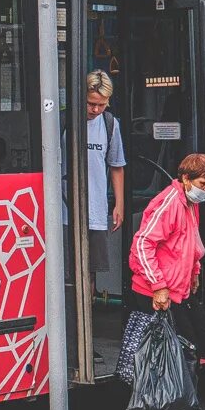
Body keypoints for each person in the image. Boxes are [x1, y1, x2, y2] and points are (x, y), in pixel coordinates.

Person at [126, 153, 205, 410]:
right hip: (160, 292)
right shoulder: (169, 203)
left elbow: (189, 244)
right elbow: (142, 244)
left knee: (203, 340)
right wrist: (158, 286)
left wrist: (194, 272)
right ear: (185, 179)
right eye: (203, 183)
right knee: (183, 352)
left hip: (178, 290)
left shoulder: (188, 203)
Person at [85, 71, 127, 302]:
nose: (95, 110)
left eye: (101, 105)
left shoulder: (110, 124)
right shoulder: (61, 121)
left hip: (96, 210)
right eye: (91, 104)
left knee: (91, 271)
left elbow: (117, 166)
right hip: (63, 211)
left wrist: (118, 203)